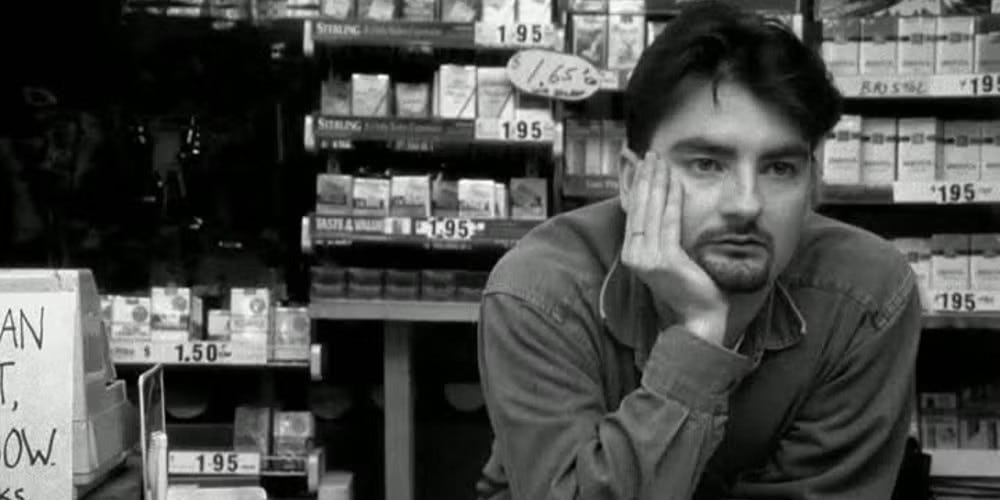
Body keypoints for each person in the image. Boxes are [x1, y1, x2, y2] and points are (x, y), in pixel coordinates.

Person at [476, 2, 922, 499]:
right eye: (707, 164)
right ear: (631, 181)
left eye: (780, 169)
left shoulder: (866, 297)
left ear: (812, 187)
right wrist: (699, 339)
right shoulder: (540, 293)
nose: (746, 204)